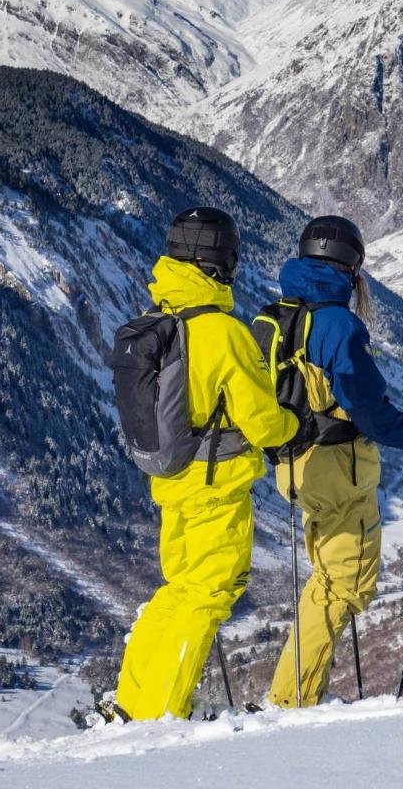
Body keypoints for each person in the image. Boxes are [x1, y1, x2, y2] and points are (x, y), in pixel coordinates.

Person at [257, 215, 403, 709]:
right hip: (338, 470)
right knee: (343, 587)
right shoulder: (338, 325)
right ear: (351, 268)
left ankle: (296, 692)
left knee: (327, 580)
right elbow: (374, 416)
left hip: (293, 466)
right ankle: (292, 700)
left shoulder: (272, 317)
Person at [113, 208, 302, 721]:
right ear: (224, 261)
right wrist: (294, 424)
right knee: (207, 598)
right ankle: (161, 713)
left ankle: (132, 701)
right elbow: (263, 423)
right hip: (216, 489)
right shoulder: (222, 332)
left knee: (177, 593)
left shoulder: (162, 320)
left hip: (173, 483)